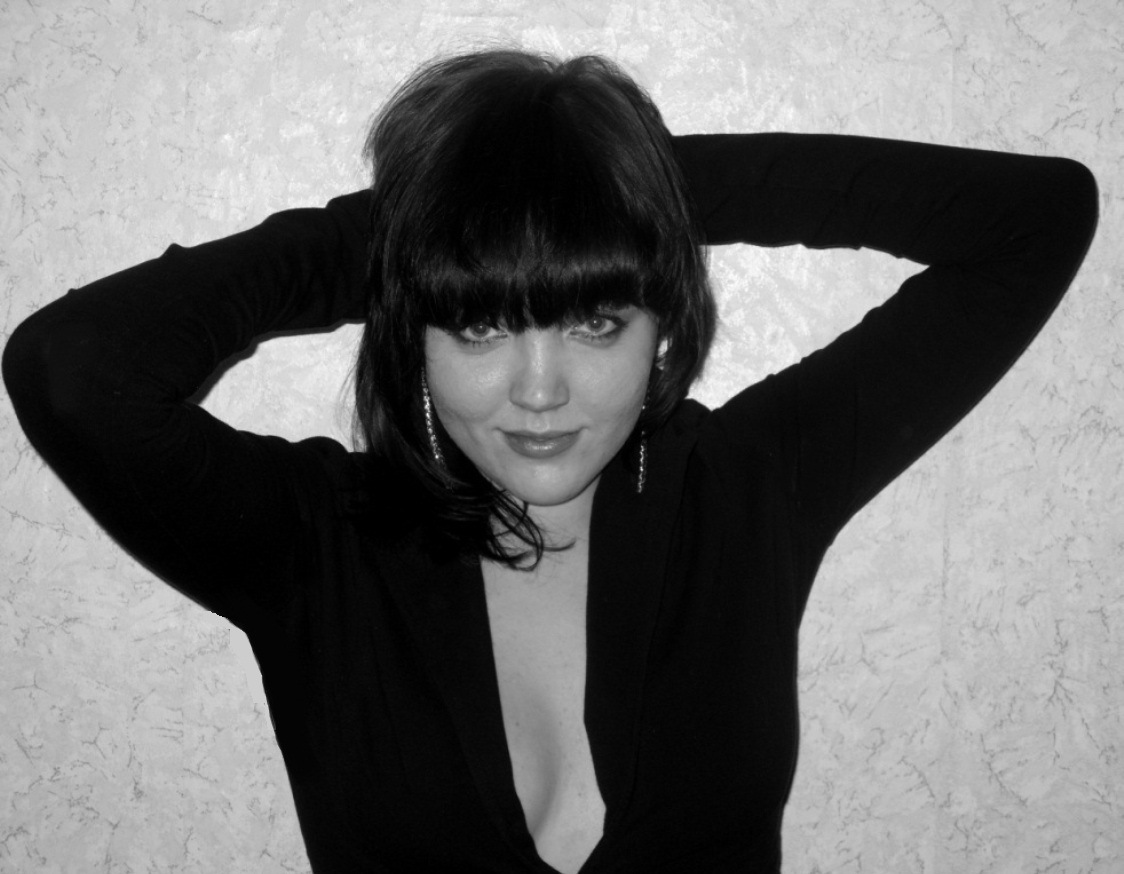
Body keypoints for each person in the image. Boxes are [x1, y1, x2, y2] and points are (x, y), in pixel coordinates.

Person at [2, 49, 1097, 874]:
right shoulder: (317, 546)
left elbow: (1032, 220)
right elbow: (73, 366)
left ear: (660, 325)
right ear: (413, 333)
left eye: (594, 322)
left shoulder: (744, 491)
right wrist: (423, 230)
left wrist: (624, 195)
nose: (539, 391)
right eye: (479, 325)